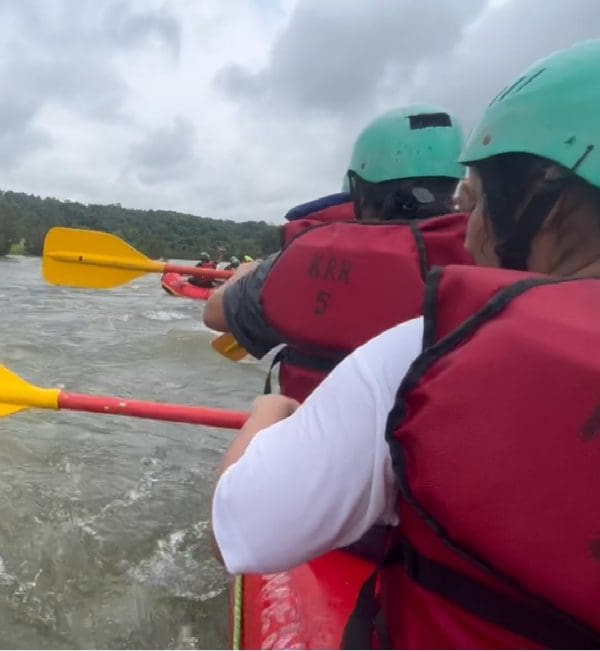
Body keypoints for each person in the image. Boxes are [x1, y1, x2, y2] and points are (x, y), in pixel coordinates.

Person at [212, 39, 600, 648]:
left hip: (330, 515)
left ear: (544, 204)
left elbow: (239, 528)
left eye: (478, 200)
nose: (466, 230)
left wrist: (266, 415)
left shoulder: (435, 345)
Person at [204, 104, 470, 401]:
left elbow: (214, 313)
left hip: (311, 439)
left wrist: (242, 275)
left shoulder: (304, 257)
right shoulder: (492, 263)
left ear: (359, 191)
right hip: (422, 444)